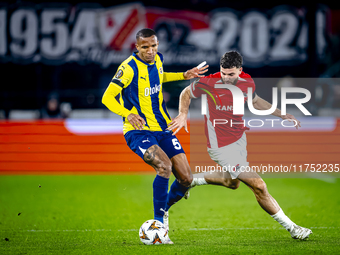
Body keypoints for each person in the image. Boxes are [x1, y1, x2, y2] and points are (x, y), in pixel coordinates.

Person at [167, 51, 312, 240]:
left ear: (240, 71)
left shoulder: (247, 81)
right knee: (259, 185)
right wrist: (183, 114)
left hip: (239, 141)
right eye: (223, 73)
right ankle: (293, 228)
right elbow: (186, 92)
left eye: (231, 74)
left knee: (232, 183)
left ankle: (191, 181)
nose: (226, 78)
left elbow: (256, 101)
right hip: (220, 146)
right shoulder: (210, 82)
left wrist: (282, 114)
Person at [102, 28, 208, 244]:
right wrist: (128, 113)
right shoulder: (128, 67)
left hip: (163, 127)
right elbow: (107, 97)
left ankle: (164, 207)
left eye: (154, 46)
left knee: (186, 178)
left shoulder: (158, 59)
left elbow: (160, 76)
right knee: (164, 167)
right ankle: (158, 224)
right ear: (136, 47)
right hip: (138, 131)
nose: (150, 51)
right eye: (145, 47)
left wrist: (183, 75)